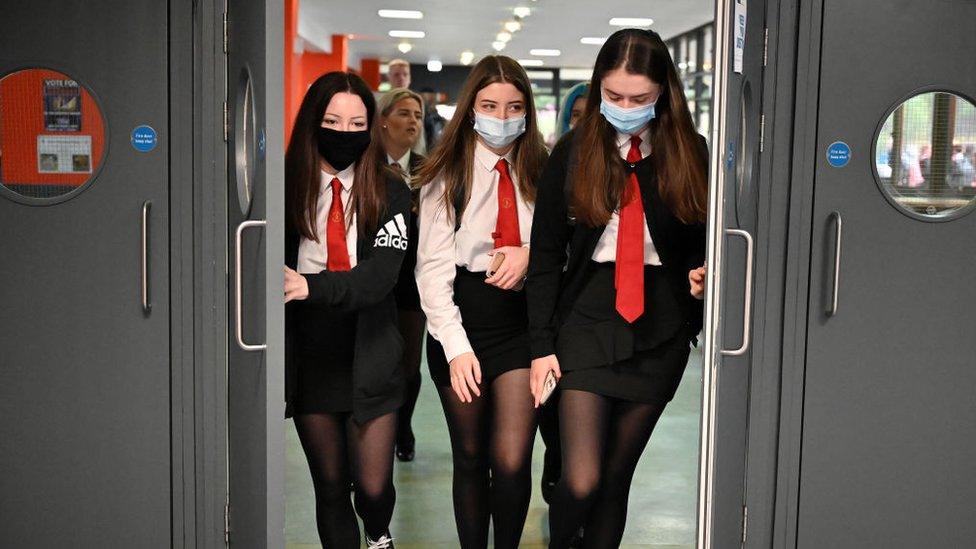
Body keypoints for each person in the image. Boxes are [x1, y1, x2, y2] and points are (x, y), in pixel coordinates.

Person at [526, 28, 709, 548]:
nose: (625, 107)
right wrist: (541, 347)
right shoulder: (574, 151)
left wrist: (702, 275)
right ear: (597, 87)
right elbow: (543, 257)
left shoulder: (690, 154)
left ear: (664, 95)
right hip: (586, 315)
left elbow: (704, 243)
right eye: (613, 96)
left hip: (661, 325)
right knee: (581, 480)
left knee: (613, 481)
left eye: (640, 99)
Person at [414, 55, 549, 549]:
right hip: (459, 322)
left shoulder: (543, 168)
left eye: (514, 106)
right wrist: (455, 346)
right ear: (471, 107)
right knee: (470, 455)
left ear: (527, 111)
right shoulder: (446, 172)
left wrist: (532, 255)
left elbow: (566, 245)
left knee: (512, 458)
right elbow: (431, 271)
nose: (501, 116)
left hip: (521, 324)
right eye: (489, 105)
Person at [283, 71, 411, 549]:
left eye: (357, 123)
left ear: (371, 128)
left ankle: (378, 536)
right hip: (311, 354)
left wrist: (307, 287)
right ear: (313, 123)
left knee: (373, 490)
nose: (344, 132)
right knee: (331, 489)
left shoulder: (391, 191)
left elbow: (379, 278)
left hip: (371, 348)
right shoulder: (284, 187)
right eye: (332, 120)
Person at [538, 80, 591, 504]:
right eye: (576, 117)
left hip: (586, 317)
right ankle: (554, 467)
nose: (584, 125)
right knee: (553, 417)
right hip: (547, 310)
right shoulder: (558, 163)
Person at [376, 88, 427, 462]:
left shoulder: (428, 169)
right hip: (374, 281)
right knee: (377, 361)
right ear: (383, 120)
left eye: (418, 115)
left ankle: (403, 427)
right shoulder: (366, 168)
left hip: (413, 282)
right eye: (404, 113)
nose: (412, 121)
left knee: (410, 364)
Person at [420, 87, 448, 152]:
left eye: (430, 100)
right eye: (425, 100)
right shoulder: (416, 120)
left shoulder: (441, 121)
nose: (428, 104)